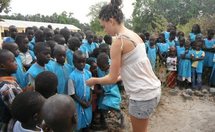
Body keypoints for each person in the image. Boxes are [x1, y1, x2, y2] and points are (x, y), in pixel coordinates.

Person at [86, 0, 161, 132]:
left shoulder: (118, 42)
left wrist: (94, 80)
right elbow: (134, 68)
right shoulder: (134, 35)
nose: (104, 29)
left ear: (111, 21)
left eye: (104, 25)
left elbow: (111, 79)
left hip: (142, 96)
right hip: (152, 90)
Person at [96, 53, 124, 128]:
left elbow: (121, 76)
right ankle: (103, 123)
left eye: (103, 67)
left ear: (108, 64)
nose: (102, 69)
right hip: (104, 89)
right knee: (102, 106)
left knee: (114, 106)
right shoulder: (99, 68)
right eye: (100, 67)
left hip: (112, 89)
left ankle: (121, 118)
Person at [67, 50, 92, 131]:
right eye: (79, 62)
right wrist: (82, 102)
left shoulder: (88, 73)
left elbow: (91, 88)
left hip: (87, 102)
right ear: (74, 62)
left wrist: (90, 101)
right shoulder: (72, 76)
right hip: (78, 103)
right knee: (78, 122)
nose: (82, 64)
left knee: (88, 120)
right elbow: (72, 93)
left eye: (83, 62)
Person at [0, 49, 23, 131]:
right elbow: (18, 109)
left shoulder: (9, 80)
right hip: (11, 125)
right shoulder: (7, 87)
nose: (16, 63)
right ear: (2, 66)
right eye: (13, 61)